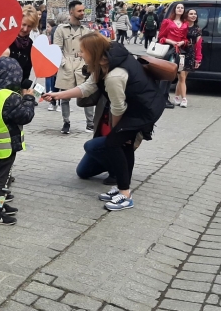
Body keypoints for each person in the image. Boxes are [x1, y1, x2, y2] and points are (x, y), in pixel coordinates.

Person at [44, 32, 164, 211]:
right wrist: (57, 95)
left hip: (144, 109)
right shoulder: (105, 60)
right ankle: (123, 189)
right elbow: (87, 87)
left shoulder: (115, 76)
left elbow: (118, 108)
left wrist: (117, 131)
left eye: (83, 51)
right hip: (136, 105)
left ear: (94, 53)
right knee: (124, 145)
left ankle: (125, 195)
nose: (80, 55)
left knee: (115, 143)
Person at [0, 57, 35, 226]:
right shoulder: (11, 97)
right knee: (3, 181)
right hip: (6, 146)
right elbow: (25, 116)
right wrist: (28, 99)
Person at [53, 0, 94, 134]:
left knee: (87, 94)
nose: (82, 13)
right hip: (67, 63)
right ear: (71, 12)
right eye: (79, 11)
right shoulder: (61, 29)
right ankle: (66, 122)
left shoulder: (86, 30)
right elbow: (57, 48)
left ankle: (90, 123)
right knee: (64, 97)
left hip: (82, 64)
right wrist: (63, 63)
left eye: (83, 10)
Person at [158, 2, 188, 107]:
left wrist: (182, 42)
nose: (180, 9)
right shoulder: (167, 21)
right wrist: (171, 41)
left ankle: (165, 97)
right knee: (166, 74)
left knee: (172, 75)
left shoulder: (185, 24)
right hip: (169, 50)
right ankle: (162, 98)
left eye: (182, 8)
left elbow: (185, 39)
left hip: (178, 51)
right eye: (178, 7)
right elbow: (161, 37)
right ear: (174, 9)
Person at [175, 8, 203, 108]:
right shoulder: (183, 26)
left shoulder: (198, 29)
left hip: (190, 54)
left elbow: (198, 45)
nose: (193, 15)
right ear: (186, 15)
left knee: (182, 78)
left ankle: (177, 97)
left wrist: (198, 59)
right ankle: (184, 99)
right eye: (191, 14)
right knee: (182, 77)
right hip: (181, 53)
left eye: (195, 14)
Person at [8, 6, 38, 80]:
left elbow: (27, 70)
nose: (25, 29)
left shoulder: (30, 44)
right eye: (23, 24)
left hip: (18, 87)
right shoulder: (6, 39)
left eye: (29, 26)